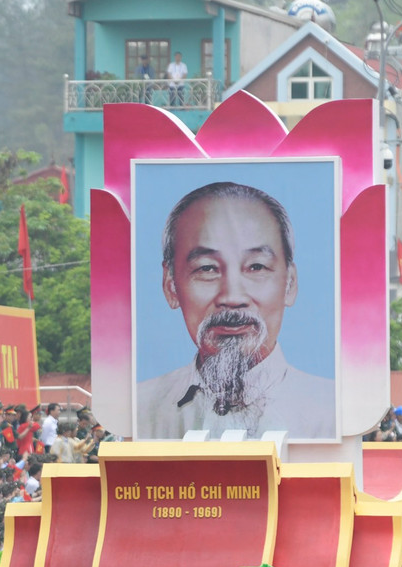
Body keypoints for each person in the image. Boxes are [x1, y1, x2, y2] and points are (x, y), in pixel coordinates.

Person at [135, 182, 335, 440]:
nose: (232, 297)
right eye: (207, 268)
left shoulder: (331, 412)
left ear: (290, 284)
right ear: (171, 285)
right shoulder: (142, 409)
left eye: (256, 267)